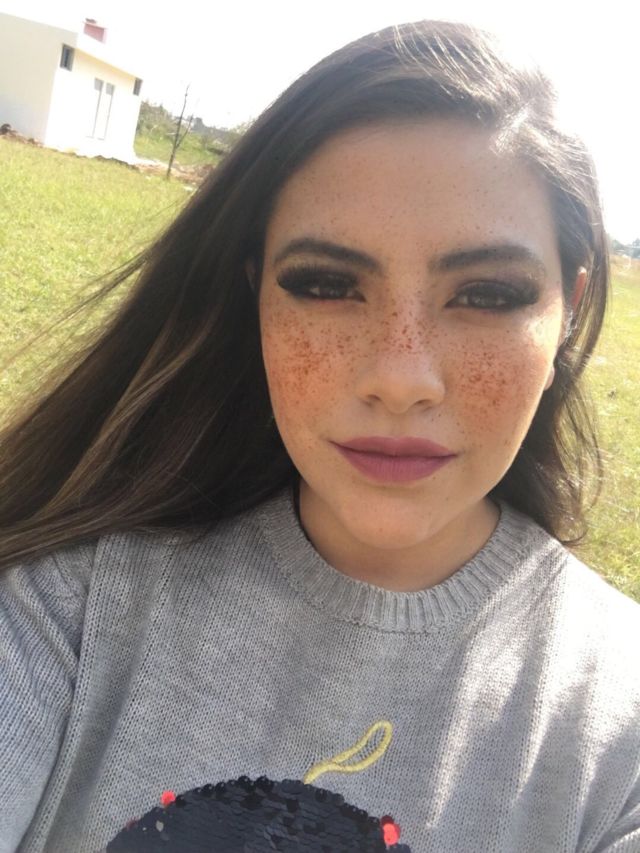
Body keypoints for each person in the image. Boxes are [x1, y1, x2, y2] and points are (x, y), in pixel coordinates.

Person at [0, 19, 638, 853]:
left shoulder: (619, 732)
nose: (401, 378)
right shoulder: (63, 605)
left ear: (568, 313)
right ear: (256, 297)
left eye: (487, 294)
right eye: (328, 284)